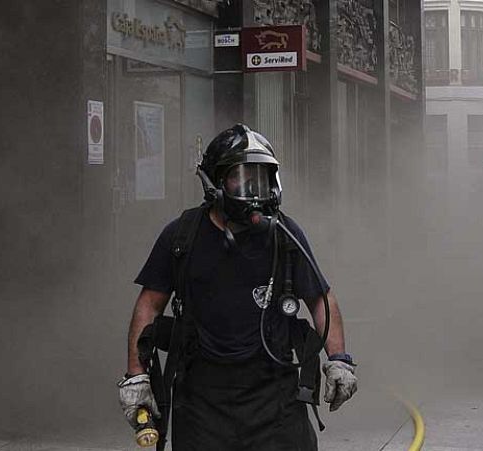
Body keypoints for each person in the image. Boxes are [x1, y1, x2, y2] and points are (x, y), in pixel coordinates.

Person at [118, 124, 357, 450]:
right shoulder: (182, 236)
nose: (253, 188)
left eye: (261, 177)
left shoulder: (285, 235)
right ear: (215, 183)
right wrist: (136, 376)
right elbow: (149, 304)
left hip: (274, 394)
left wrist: (339, 359)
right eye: (241, 177)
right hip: (202, 398)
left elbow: (320, 298)